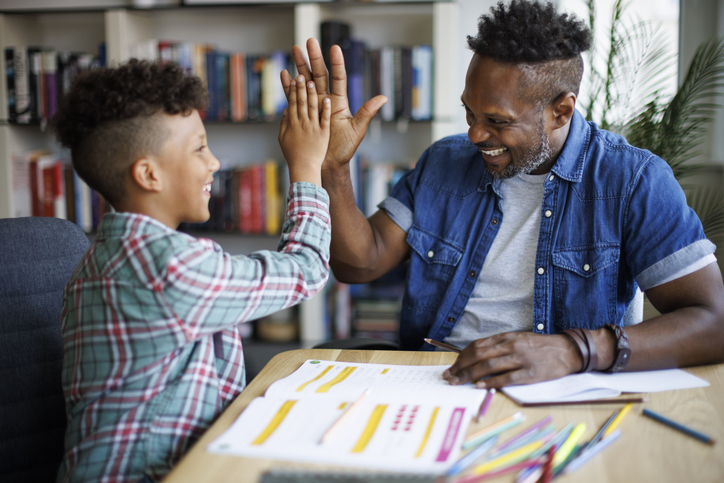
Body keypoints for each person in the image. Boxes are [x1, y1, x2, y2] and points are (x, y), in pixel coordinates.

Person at [281, 0, 724, 390]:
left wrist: (573, 351)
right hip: (434, 381)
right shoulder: (445, 163)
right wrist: (332, 168)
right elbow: (360, 263)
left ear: (561, 111)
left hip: (562, 390)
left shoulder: (632, 180)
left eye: (497, 120)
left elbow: (713, 322)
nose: (475, 134)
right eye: (469, 112)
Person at [52, 59, 332, 482]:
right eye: (200, 147)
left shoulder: (96, 261)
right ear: (148, 174)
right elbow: (307, 270)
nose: (215, 162)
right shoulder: (169, 266)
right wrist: (308, 166)